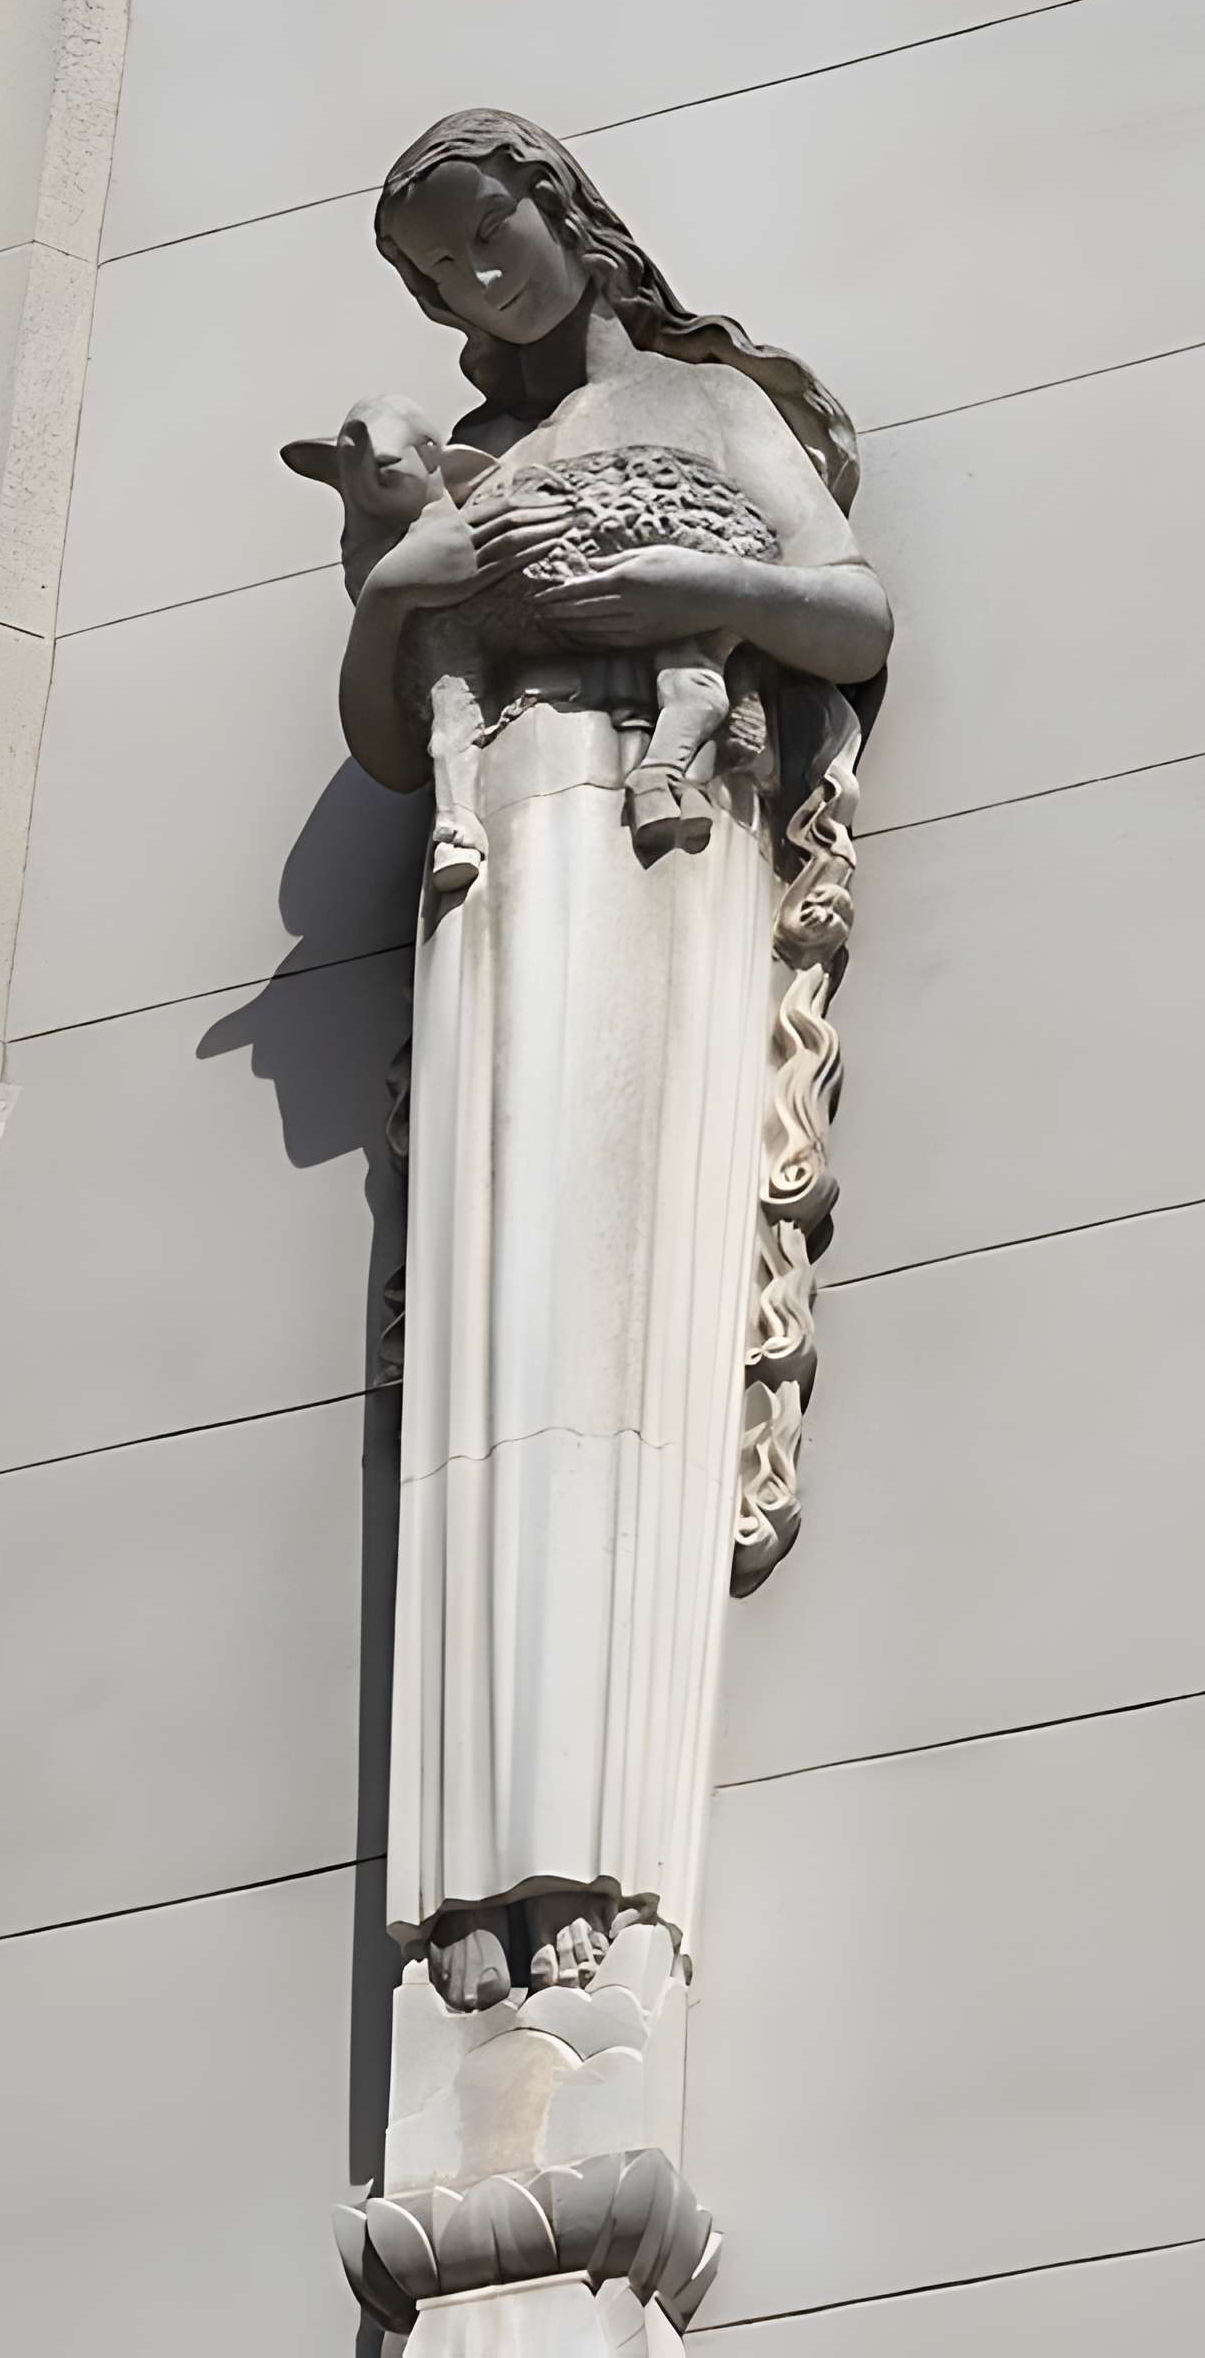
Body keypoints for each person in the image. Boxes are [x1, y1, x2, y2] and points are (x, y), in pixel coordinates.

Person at [341, 111, 891, 2009]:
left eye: (492, 228)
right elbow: (388, 733)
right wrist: (398, 579)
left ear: (567, 219)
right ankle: (483, 1870)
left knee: (615, 1297)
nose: (478, 274)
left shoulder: (712, 406)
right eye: (440, 265)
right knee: (507, 1314)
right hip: (495, 880)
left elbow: (847, 606)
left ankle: (601, 1856)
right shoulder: (473, 467)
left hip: (670, 856)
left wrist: (695, 603)